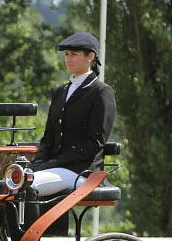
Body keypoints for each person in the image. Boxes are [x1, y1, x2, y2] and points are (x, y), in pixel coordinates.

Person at [30, 32, 116, 196]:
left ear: (91, 57)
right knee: (11, 181)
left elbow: (95, 143)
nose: (68, 59)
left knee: (28, 185)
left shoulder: (101, 92)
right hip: (55, 168)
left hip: (83, 171)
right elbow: (48, 137)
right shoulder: (60, 92)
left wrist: (56, 162)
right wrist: (38, 162)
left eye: (74, 55)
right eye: (67, 54)